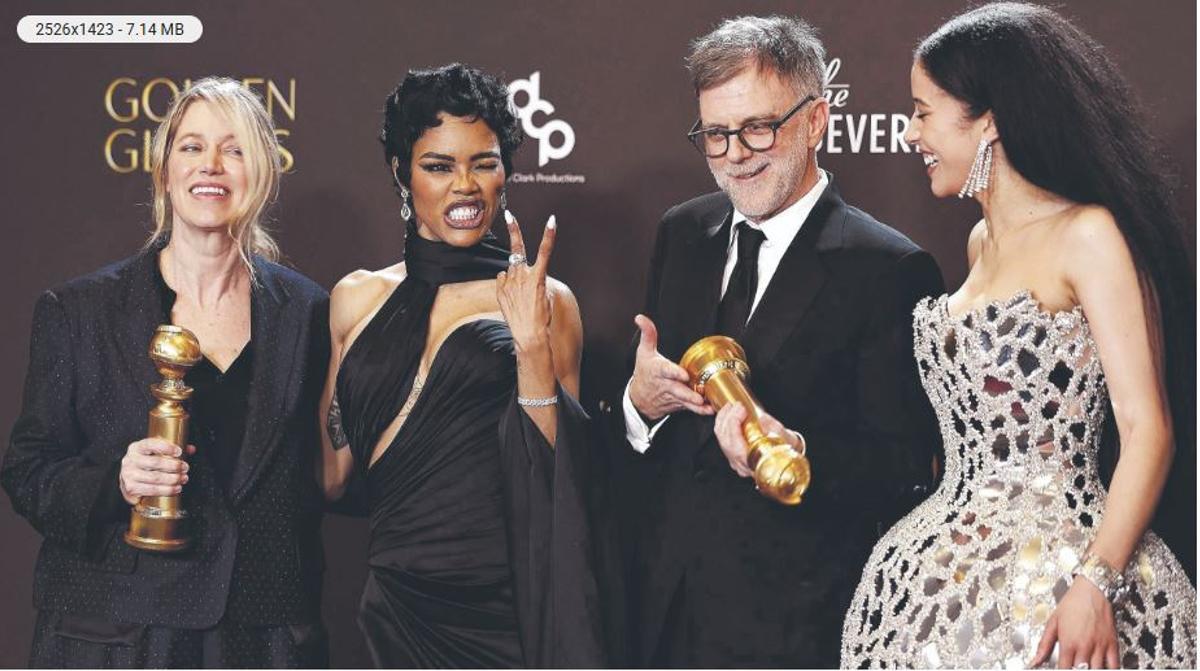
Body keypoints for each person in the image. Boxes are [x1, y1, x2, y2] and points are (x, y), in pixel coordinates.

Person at [840, 4, 1197, 668]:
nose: (911, 134)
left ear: (990, 120)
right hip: (957, 588)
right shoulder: (981, 242)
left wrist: (1096, 582)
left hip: (1069, 586)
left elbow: (1148, 427)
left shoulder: (1087, 235)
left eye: (923, 111)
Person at [619, 15, 944, 667]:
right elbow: (653, 445)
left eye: (757, 127)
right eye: (716, 134)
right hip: (664, 617)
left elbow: (908, 468)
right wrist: (640, 404)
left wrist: (794, 452)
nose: (736, 153)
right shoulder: (680, 234)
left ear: (816, 120)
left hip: (797, 629)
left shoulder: (887, 268)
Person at [2, 78, 330, 667]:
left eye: (234, 149)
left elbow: (323, 471)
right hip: (118, 635)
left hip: (262, 635)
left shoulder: (308, 312)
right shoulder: (79, 311)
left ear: (262, 172)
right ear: (162, 169)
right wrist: (115, 482)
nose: (212, 165)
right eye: (191, 146)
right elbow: (28, 468)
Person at [318, 63, 614, 668]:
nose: (465, 186)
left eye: (484, 162)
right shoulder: (355, 298)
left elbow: (565, 488)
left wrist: (531, 350)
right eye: (439, 165)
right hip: (395, 607)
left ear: (506, 171)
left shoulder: (546, 302)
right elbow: (333, 477)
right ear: (401, 174)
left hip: (498, 612)